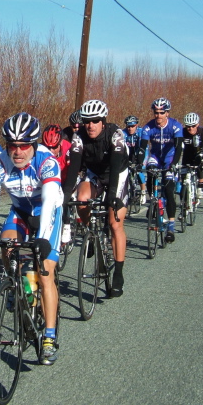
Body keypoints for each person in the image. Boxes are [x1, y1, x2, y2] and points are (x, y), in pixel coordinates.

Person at [0, 113, 63, 364]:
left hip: (46, 213)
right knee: (6, 246)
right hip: (20, 212)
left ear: (33, 145)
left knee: (45, 273)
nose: (17, 152)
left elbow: (51, 201)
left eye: (23, 146)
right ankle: (19, 286)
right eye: (12, 146)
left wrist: (42, 238)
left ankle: (49, 337)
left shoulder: (47, 162)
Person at [64, 99, 130, 297]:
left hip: (117, 173)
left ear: (103, 121)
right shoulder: (78, 137)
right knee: (81, 198)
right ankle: (91, 232)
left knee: (115, 223)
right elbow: (74, 169)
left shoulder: (115, 135)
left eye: (94, 121)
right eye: (86, 121)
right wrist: (65, 196)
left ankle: (118, 273)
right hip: (95, 174)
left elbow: (117, 166)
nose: (90, 125)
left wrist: (111, 197)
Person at [140, 98, 183, 243]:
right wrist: (139, 163)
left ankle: (171, 225)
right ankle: (153, 201)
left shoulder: (175, 126)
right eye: (156, 112)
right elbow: (142, 147)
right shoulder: (148, 127)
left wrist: (174, 164)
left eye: (161, 112)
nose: (158, 115)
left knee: (170, 189)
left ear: (167, 113)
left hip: (170, 158)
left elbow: (178, 147)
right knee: (150, 171)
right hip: (156, 157)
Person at [42, 124, 74, 244]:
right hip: (50, 178)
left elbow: (74, 170)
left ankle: (66, 224)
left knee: (63, 199)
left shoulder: (68, 148)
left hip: (66, 177)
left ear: (60, 142)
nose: (50, 151)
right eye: (47, 147)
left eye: (54, 147)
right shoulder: (40, 150)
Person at [180, 112, 203, 202]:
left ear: (197, 124)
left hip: (200, 153)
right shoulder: (182, 132)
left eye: (193, 126)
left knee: (199, 162)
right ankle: (185, 203)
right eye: (188, 126)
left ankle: (199, 188)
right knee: (183, 178)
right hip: (187, 154)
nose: (190, 128)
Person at [122, 115, 148, 207]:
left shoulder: (140, 132)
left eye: (132, 126)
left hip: (140, 152)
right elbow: (122, 148)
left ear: (136, 125)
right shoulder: (124, 133)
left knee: (139, 171)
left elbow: (142, 147)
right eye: (128, 126)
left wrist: (140, 162)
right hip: (129, 153)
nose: (130, 128)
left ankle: (143, 191)